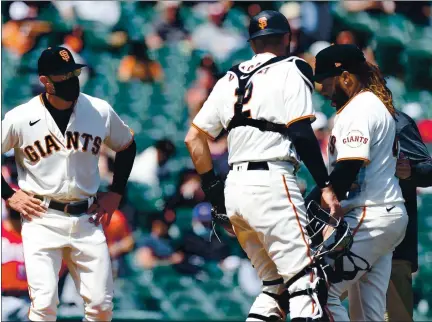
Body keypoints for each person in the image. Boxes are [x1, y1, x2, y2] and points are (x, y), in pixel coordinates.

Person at [185, 10, 342, 321]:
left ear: (253, 44)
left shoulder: (229, 77)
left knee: (274, 287)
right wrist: (325, 185)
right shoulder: (293, 67)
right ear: (288, 38)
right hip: (272, 183)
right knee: (306, 281)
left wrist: (216, 194)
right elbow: (300, 131)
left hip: (235, 190)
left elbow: (194, 139)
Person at [1, 46, 136, 321]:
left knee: (100, 306)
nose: (70, 80)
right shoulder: (20, 117)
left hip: (87, 217)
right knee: (45, 305)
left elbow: (127, 146)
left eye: (72, 73)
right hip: (42, 217)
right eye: (61, 76)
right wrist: (8, 194)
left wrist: (116, 192)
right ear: (45, 81)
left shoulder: (99, 110)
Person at [307, 44, 408, 321]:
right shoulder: (371, 105)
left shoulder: (360, 108)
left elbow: (346, 170)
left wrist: (307, 209)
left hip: (369, 214)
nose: (322, 90)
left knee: (318, 290)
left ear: (346, 78)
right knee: (367, 314)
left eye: (326, 82)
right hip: (384, 215)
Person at [386, 111, 432, 321]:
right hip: (353, 238)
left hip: (395, 244)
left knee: (397, 317)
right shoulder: (343, 118)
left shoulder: (397, 122)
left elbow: (428, 168)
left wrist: (411, 171)